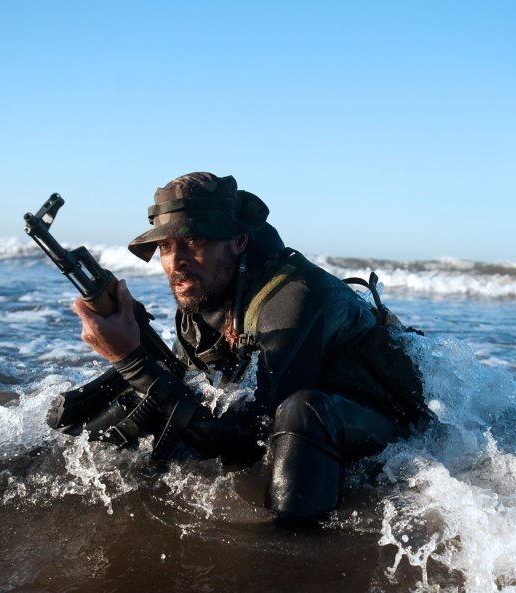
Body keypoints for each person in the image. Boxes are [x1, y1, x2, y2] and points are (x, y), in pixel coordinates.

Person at [63, 172, 429, 522]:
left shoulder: (298, 298)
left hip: (396, 434)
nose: (177, 262)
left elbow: (250, 438)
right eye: (165, 246)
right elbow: (192, 397)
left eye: (195, 241)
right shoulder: (201, 301)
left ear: (239, 240)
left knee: (303, 411)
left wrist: (129, 359)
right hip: (310, 433)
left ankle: (293, 551)